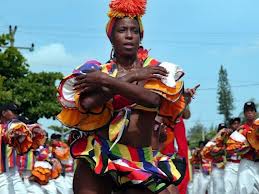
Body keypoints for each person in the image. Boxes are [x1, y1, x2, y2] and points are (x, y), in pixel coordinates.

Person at [57, 0, 194, 193]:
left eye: (134, 31)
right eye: (122, 30)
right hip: (99, 154)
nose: (129, 36)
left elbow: (152, 99)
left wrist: (107, 82)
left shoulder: (157, 69)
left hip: (138, 159)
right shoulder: (98, 70)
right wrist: (133, 76)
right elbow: (87, 103)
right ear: (111, 37)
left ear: (141, 36)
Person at [227, 101, 258, 194]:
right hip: (246, 163)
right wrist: (248, 145)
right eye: (247, 110)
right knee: (244, 190)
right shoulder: (240, 130)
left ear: (255, 112)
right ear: (244, 113)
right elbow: (232, 149)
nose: (249, 112)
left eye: (251, 110)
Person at [0, 103, 28, 194]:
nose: (16, 115)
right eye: (13, 112)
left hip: (9, 168)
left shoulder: (12, 127)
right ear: (4, 113)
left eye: (17, 113)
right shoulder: (4, 128)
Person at [224, 117, 241, 194]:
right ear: (230, 126)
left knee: (240, 189)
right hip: (231, 165)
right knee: (229, 190)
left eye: (238, 123)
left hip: (241, 164)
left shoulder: (243, 134)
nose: (236, 125)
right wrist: (226, 132)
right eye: (234, 123)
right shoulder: (227, 135)